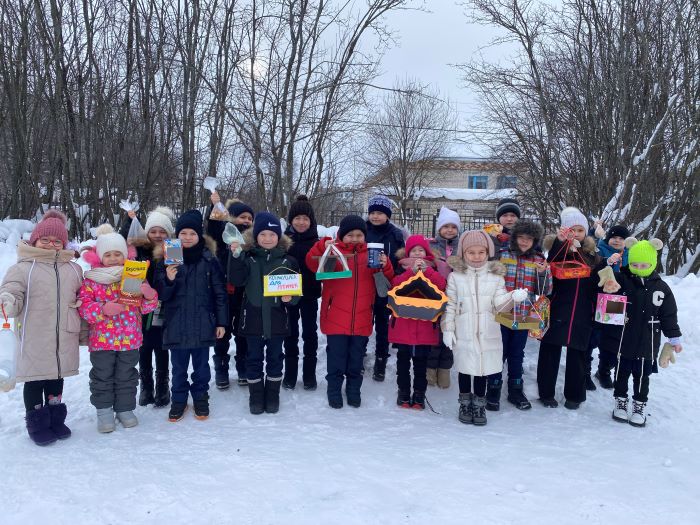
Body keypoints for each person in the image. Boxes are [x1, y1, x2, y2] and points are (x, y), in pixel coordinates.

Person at [0, 210, 83, 446]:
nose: (50, 244)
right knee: (36, 380)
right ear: (35, 240)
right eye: (45, 240)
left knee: (57, 378)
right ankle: (37, 423)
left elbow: (83, 297)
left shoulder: (74, 269)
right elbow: (12, 290)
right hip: (34, 336)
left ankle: (55, 418)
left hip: (64, 336)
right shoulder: (23, 268)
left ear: (63, 243)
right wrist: (7, 300)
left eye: (57, 241)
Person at [306, 215, 394, 408]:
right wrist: (323, 246)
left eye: (359, 235)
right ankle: (334, 389)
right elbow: (313, 265)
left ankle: (354, 389)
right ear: (341, 236)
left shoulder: (370, 255)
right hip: (336, 316)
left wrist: (385, 265)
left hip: (362, 318)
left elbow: (385, 281)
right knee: (336, 358)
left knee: (356, 359)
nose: (354, 239)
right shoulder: (334, 252)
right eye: (350, 235)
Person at [79, 225, 159, 432]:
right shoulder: (92, 280)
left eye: (118, 254)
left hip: (130, 338)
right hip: (102, 341)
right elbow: (84, 308)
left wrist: (150, 295)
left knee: (127, 375)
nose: (114, 258)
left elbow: (145, 308)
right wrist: (103, 309)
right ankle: (104, 411)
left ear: (125, 255)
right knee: (102, 376)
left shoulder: (133, 274)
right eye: (108, 254)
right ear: (99, 257)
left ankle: (125, 409)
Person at [442, 230, 524, 426]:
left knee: (482, 370)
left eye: (481, 252)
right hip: (464, 331)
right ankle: (465, 403)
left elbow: (499, 304)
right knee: (465, 368)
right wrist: (448, 328)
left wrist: (512, 298)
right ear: (463, 253)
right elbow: (450, 305)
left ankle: (479, 404)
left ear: (488, 253)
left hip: (488, 331)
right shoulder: (456, 277)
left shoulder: (496, 277)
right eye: (471, 253)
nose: (476, 257)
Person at [154, 210, 228, 422]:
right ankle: (178, 399)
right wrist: (168, 279)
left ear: (200, 236)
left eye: (192, 233)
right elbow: (161, 295)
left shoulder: (208, 259)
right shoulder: (168, 258)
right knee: (178, 368)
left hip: (203, 323)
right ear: (177, 235)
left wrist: (221, 321)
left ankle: (200, 397)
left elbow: (219, 292)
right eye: (183, 233)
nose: (187, 237)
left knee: (202, 367)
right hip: (176, 324)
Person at [599, 239, 682, 427]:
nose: (639, 268)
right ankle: (620, 401)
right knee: (621, 372)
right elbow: (605, 292)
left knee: (642, 375)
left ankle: (639, 404)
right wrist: (608, 267)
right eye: (635, 264)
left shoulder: (661, 288)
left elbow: (669, 315)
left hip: (648, 340)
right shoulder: (622, 279)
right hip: (623, 338)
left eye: (644, 265)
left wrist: (674, 338)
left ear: (652, 263)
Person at [227, 212, 300, 414]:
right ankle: (256, 397)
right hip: (252, 320)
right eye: (263, 234)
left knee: (276, 358)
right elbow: (237, 279)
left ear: (279, 237)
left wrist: (291, 298)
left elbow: (296, 291)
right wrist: (235, 256)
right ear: (256, 236)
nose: (267, 239)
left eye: (272, 234)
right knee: (254, 359)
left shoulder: (288, 261)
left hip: (277, 321)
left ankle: (272, 395)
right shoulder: (248, 258)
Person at [538, 207, 600, 410]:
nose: (576, 234)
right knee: (549, 352)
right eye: (571, 230)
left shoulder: (592, 257)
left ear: (586, 233)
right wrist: (560, 242)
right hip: (557, 310)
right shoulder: (556, 252)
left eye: (580, 230)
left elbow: (600, 280)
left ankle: (574, 395)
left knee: (578, 355)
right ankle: (546, 393)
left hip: (582, 312)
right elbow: (548, 268)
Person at [491, 219, 552, 411]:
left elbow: (546, 289)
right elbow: (491, 282)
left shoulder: (539, 260)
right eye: (521, 238)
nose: (524, 242)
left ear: (535, 241)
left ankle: (516, 390)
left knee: (517, 354)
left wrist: (543, 275)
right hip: (502, 313)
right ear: (514, 238)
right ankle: (493, 389)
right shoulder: (502, 255)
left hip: (524, 315)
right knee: (498, 352)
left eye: (529, 238)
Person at [120, 206, 175, 407]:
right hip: (139, 306)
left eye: (162, 231)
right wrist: (129, 220)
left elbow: (177, 277)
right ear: (147, 232)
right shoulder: (138, 249)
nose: (158, 235)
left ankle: (162, 385)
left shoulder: (172, 248)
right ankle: (146, 385)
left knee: (161, 346)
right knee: (143, 346)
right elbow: (122, 240)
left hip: (163, 305)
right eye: (153, 231)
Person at [389, 235, 447, 409]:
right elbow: (394, 286)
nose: (418, 253)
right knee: (403, 362)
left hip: (425, 325)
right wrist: (411, 272)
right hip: (403, 325)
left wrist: (427, 271)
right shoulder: (401, 268)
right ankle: (404, 393)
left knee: (421, 364)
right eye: (414, 250)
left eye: (421, 250)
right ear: (408, 253)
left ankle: (419, 395)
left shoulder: (433, 268)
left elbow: (441, 285)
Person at [206, 193, 254, 388]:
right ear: (232, 218)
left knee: (243, 333)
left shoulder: (252, 241)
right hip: (224, 295)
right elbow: (213, 228)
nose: (246, 221)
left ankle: (242, 366)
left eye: (250, 218)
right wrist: (215, 206)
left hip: (245, 295)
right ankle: (221, 369)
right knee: (222, 332)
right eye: (242, 217)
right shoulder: (223, 237)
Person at [283, 196, 321, 390]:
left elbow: (324, 269)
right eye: (297, 218)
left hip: (309, 295)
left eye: (305, 218)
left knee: (309, 334)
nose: (301, 222)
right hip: (287, 296)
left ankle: (309, 375)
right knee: (289, 334)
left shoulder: (317, 243)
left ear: (311, 221)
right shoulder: (283, 241)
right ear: (291, 220)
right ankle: (289, 375)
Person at [365, 195, 405, 382]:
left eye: (380, 213)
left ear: (387, 215)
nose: (375, 216)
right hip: (364, 284)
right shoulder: (362, 230)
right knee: (364, 322)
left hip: (386, 285)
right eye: (372, 212)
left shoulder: (396, 235)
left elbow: (401, 261)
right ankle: (360, 354)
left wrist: (393, 275)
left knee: (382, 324)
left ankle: (381, 359)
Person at [589, 223, 630, 389]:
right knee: (594, 336)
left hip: (617, 302)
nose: (617, 241)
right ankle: (585, 370)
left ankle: (604, 371)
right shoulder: (600, 249)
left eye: (621, 238)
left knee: (612, 339)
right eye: (614, 237)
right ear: (608, 238)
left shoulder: (629, 254)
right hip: (597, 299)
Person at [427, 207, 460, 388]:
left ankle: (445, 369)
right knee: (434, 335)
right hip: (434, 297)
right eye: (445, 226)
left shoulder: (462, 247)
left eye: (453, 227)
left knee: (450, 334)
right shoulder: (431, 246)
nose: (449, 230)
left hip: (455, 298)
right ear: (439, 228)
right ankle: (430, 370)